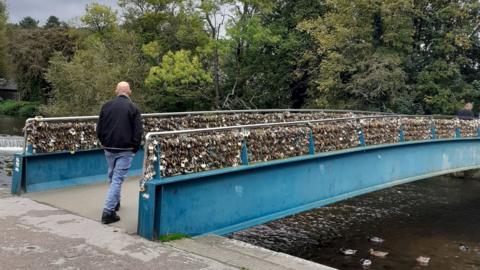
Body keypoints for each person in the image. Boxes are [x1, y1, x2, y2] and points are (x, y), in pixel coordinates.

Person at [96, 81, 143, 224]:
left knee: (112, 176)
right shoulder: (133, 108)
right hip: (125, 149)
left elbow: (99, 129)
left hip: (109, 148)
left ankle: (115, 203)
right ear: (129, 92)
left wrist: (104, 142)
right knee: (117, 179)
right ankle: (108, 212)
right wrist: (135, 147)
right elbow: (138, 131)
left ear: (116, 91)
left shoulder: (106, 106)